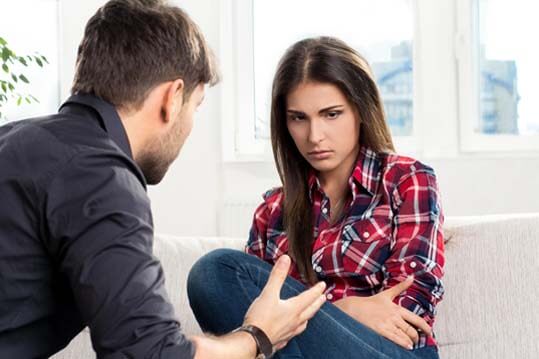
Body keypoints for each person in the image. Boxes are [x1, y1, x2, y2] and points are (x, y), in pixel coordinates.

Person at [0, 1, 328, 358]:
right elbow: (151, 353)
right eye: (196, 106)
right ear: (172, 98)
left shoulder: (15, 139)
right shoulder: (99, 174)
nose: (189, 126)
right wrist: (258, 336)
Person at [187, 37, 445, 358]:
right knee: (213, 274)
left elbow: (409, 306)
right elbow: (255, 324)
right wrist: (348, 308)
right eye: (299, 118)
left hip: (390, 352)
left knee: (216, 270)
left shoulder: (407, 180)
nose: (314, 136)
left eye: (331, 114)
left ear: (361, 110)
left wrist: (308, 317)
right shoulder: (272, 210)